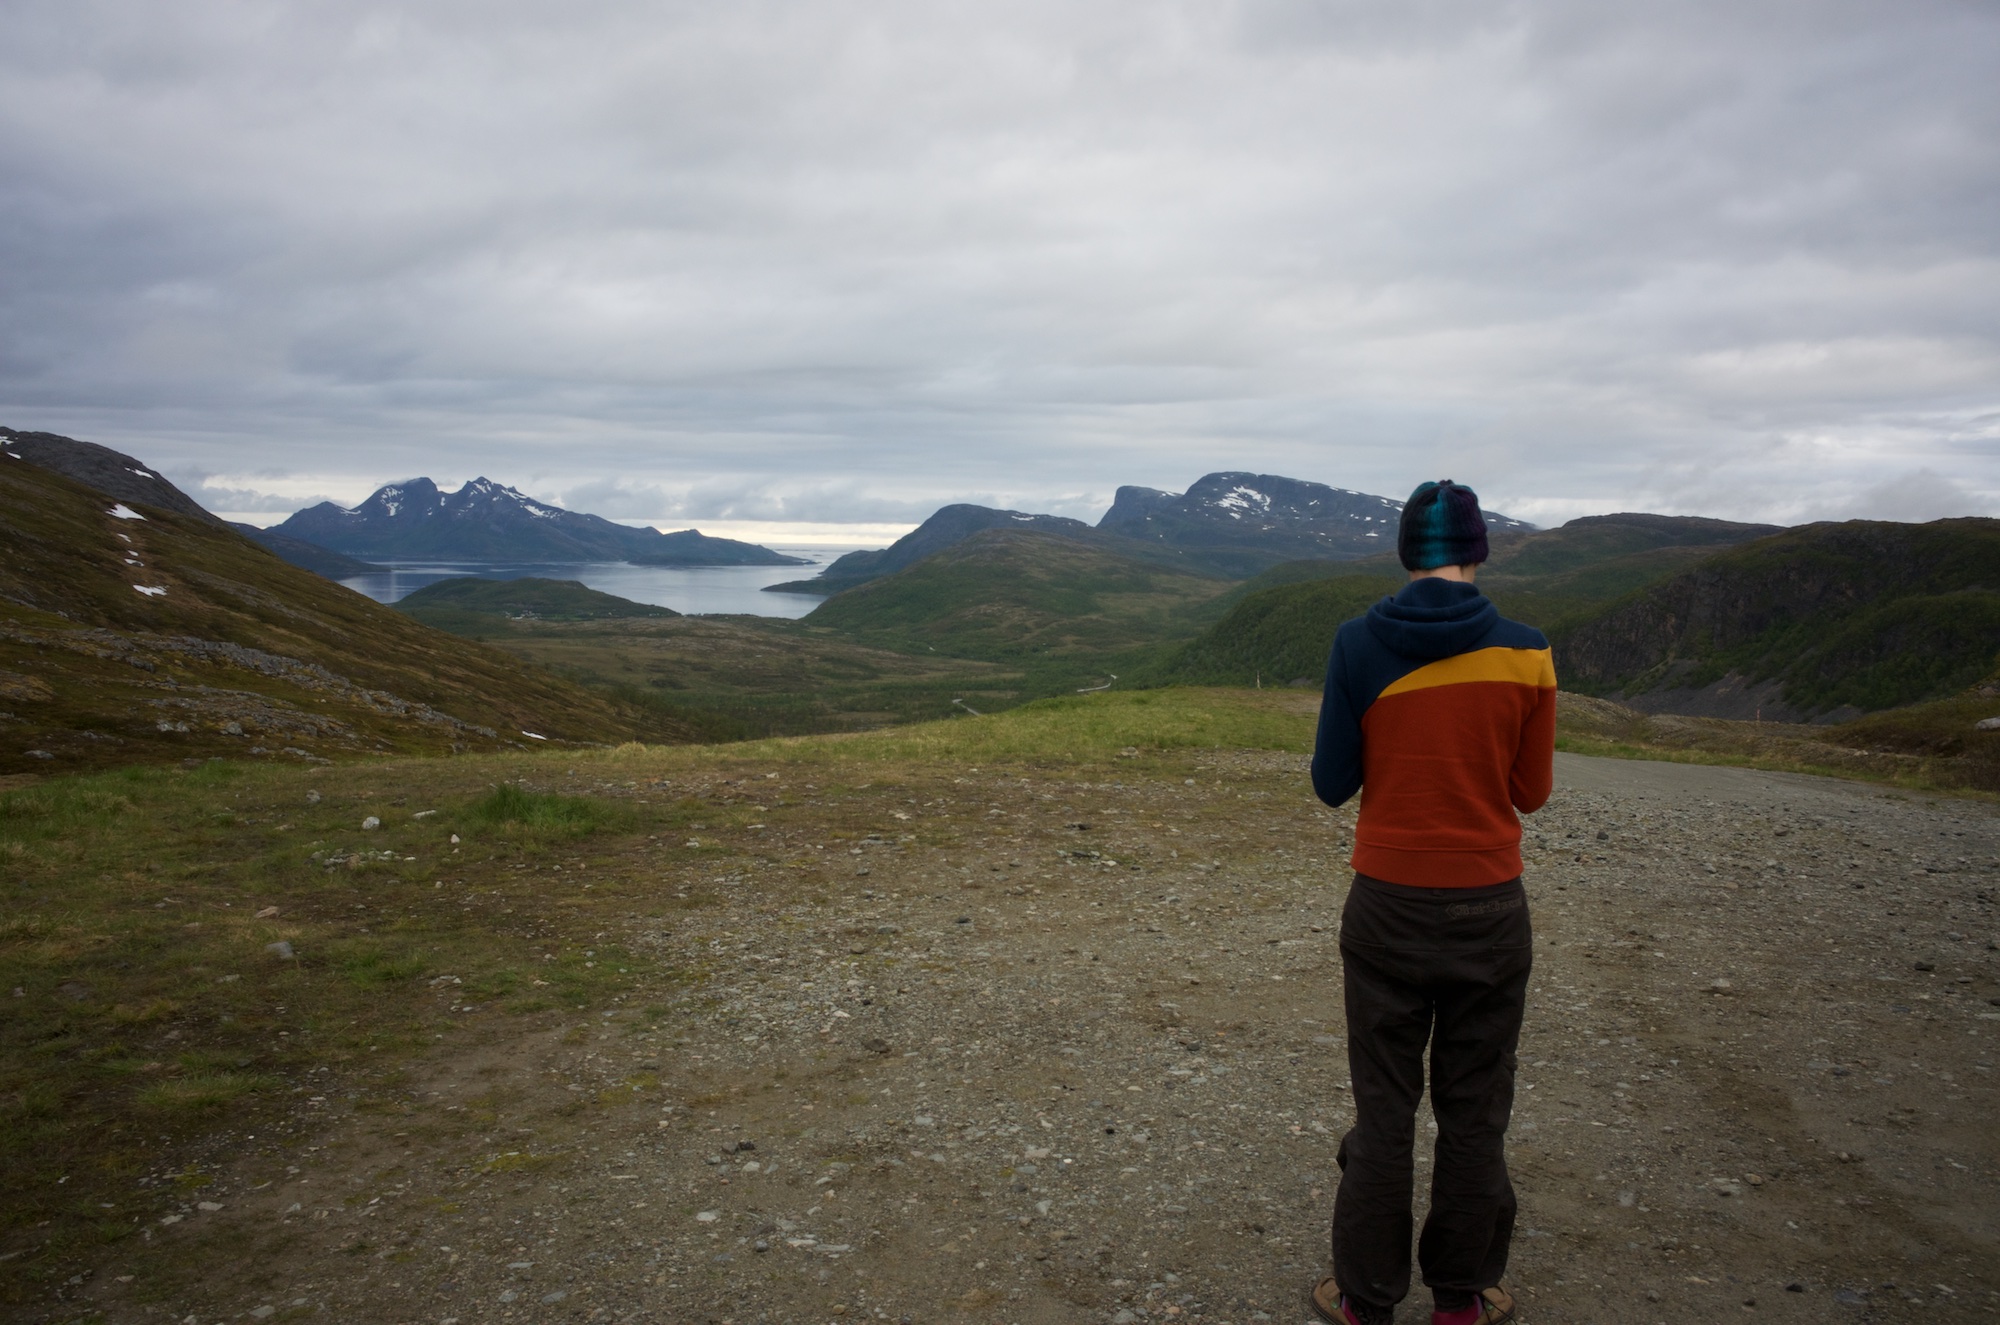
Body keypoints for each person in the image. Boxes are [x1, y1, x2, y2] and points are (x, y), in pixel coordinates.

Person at [1304, 480, 1555, 1325]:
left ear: (1405, 551)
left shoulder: (1356, 641)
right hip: (1489, 906)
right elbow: (1532, 791)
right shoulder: (1529, 650)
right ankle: (1460, 1300)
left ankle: (1367, 1300)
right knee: (1475, 1108)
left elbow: (1331, 784)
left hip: (1386, 905)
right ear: (1479, 549)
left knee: (1384, 1110)